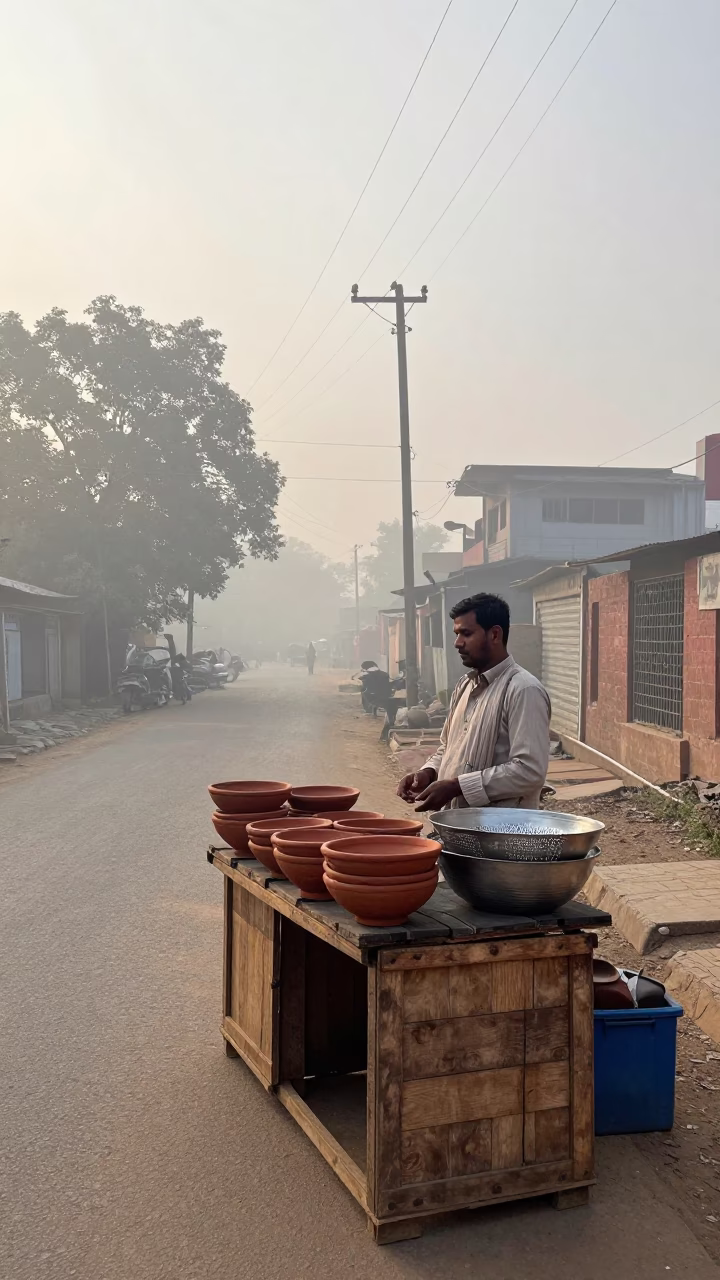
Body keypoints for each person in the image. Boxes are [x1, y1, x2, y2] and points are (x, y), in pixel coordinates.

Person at [397, 592, 550, 813]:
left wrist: (457, 787)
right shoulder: (464, 686)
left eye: (466, 634)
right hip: (455, 825)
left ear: (495, 634)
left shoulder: (523, 690)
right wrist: (428, 772)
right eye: (456, 634)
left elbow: (529, 772)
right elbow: (448, 748)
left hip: (502, 830)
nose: (457, 643)